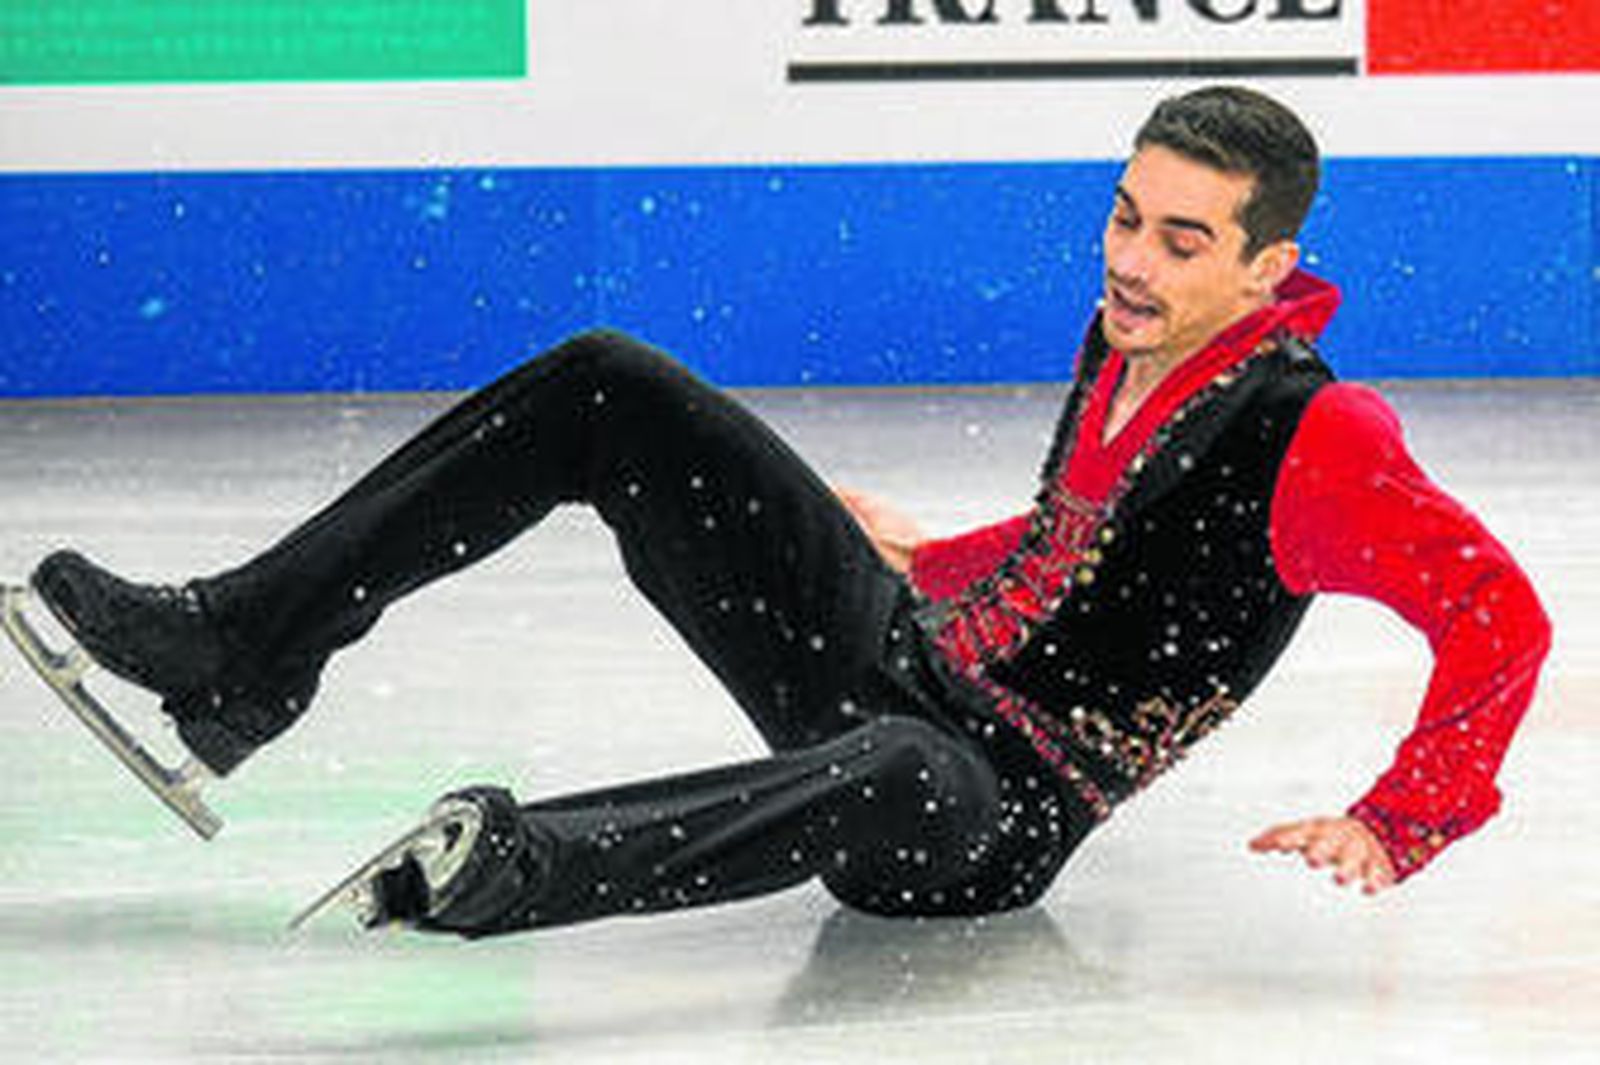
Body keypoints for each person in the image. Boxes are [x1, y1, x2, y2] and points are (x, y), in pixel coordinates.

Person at [23, 86, 1550, 938]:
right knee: (610, 380)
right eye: (1123, 214)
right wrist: (925, 555)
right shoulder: (1132, 335)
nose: (1130, 261)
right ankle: (243, 647)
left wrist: (1397, 814)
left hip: (991, 810)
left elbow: (1503, 617)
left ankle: (510, 865)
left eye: (1182, 239)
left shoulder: (1318, 437)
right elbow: (1086, 545)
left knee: (898, 760)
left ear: (1270, 269)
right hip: (907, 660)